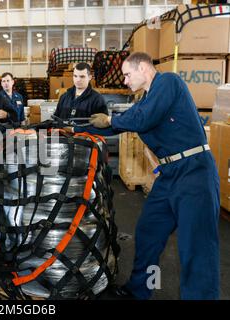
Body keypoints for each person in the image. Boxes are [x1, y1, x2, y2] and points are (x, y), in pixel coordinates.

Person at [85, 52, 220, 300]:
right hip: (169, 175)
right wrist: (72, 128)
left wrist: (111, 119)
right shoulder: (145, 100)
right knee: (149, 232)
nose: (124, 81)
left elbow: (139, 119)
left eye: (127, 74)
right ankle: (141, 290)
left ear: (144, 68)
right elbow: (115, 125)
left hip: (195, 172)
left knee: (196, 246)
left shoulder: (169, 82)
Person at [53, 62, 107, 131]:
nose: (78, 80)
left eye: (82, 76)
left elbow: (102, 125)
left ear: (90, 77)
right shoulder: (64, 97)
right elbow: (55, 119)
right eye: (75, 76)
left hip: (85, 139)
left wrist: (76, 130)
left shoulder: (97, 99)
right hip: (62, 138)